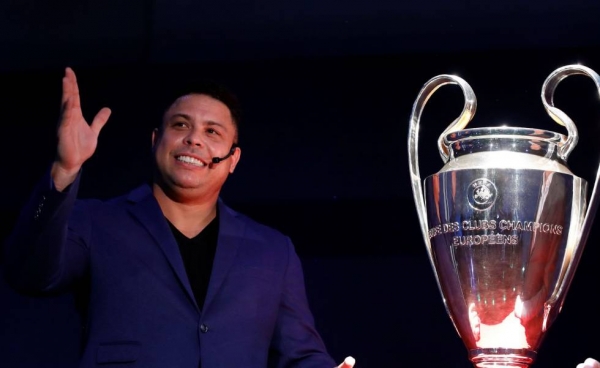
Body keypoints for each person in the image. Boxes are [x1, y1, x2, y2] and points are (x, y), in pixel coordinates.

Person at [3, 67, 355, 368]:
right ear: (157, 140)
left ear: (233, 159)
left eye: (212, 132)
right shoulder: (98, 221)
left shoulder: (273, 251)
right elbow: (29, 274)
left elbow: (301, 355)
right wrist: (64, 170)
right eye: (181, 125)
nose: (193, 140)